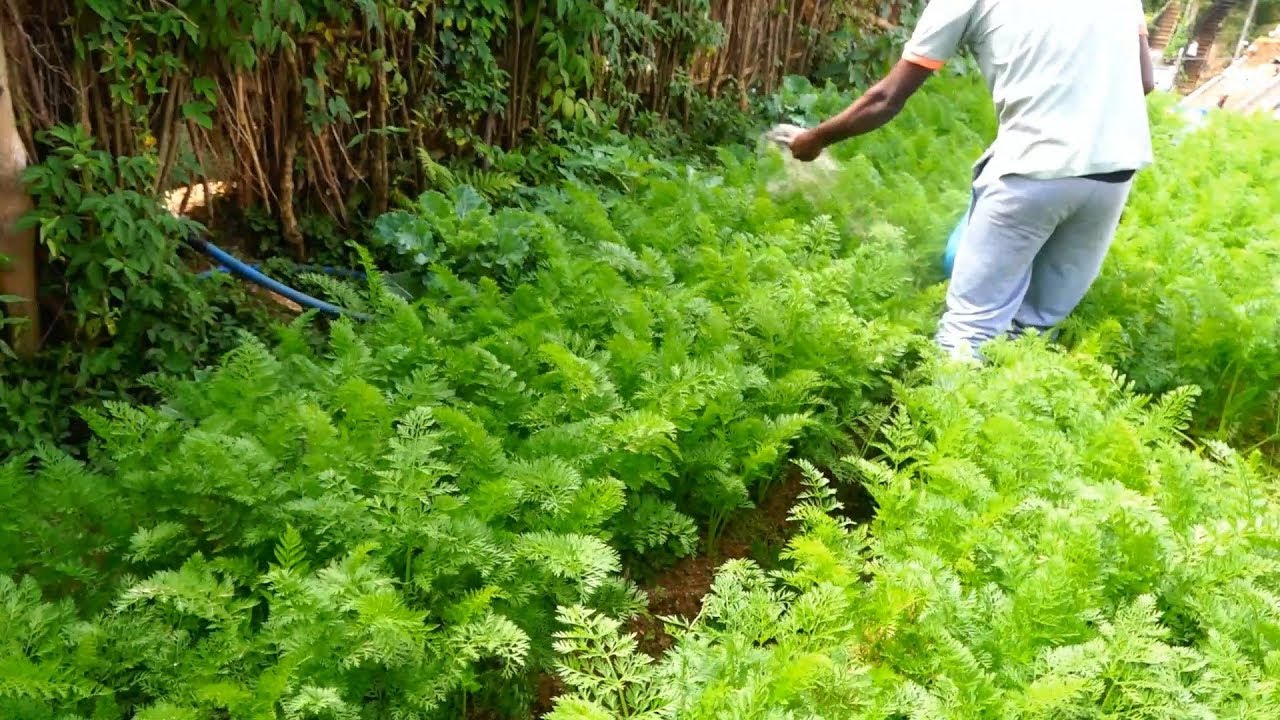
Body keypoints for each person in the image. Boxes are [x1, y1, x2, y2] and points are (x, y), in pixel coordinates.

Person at [789, 0, 1156, 359]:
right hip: (1113, 174)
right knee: (1033, 328)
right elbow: (1144, 80)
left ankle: (953, 398)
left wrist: (816, 138)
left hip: (1031, 171)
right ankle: (1008, 395)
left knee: (968, 331)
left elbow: (886, 98)